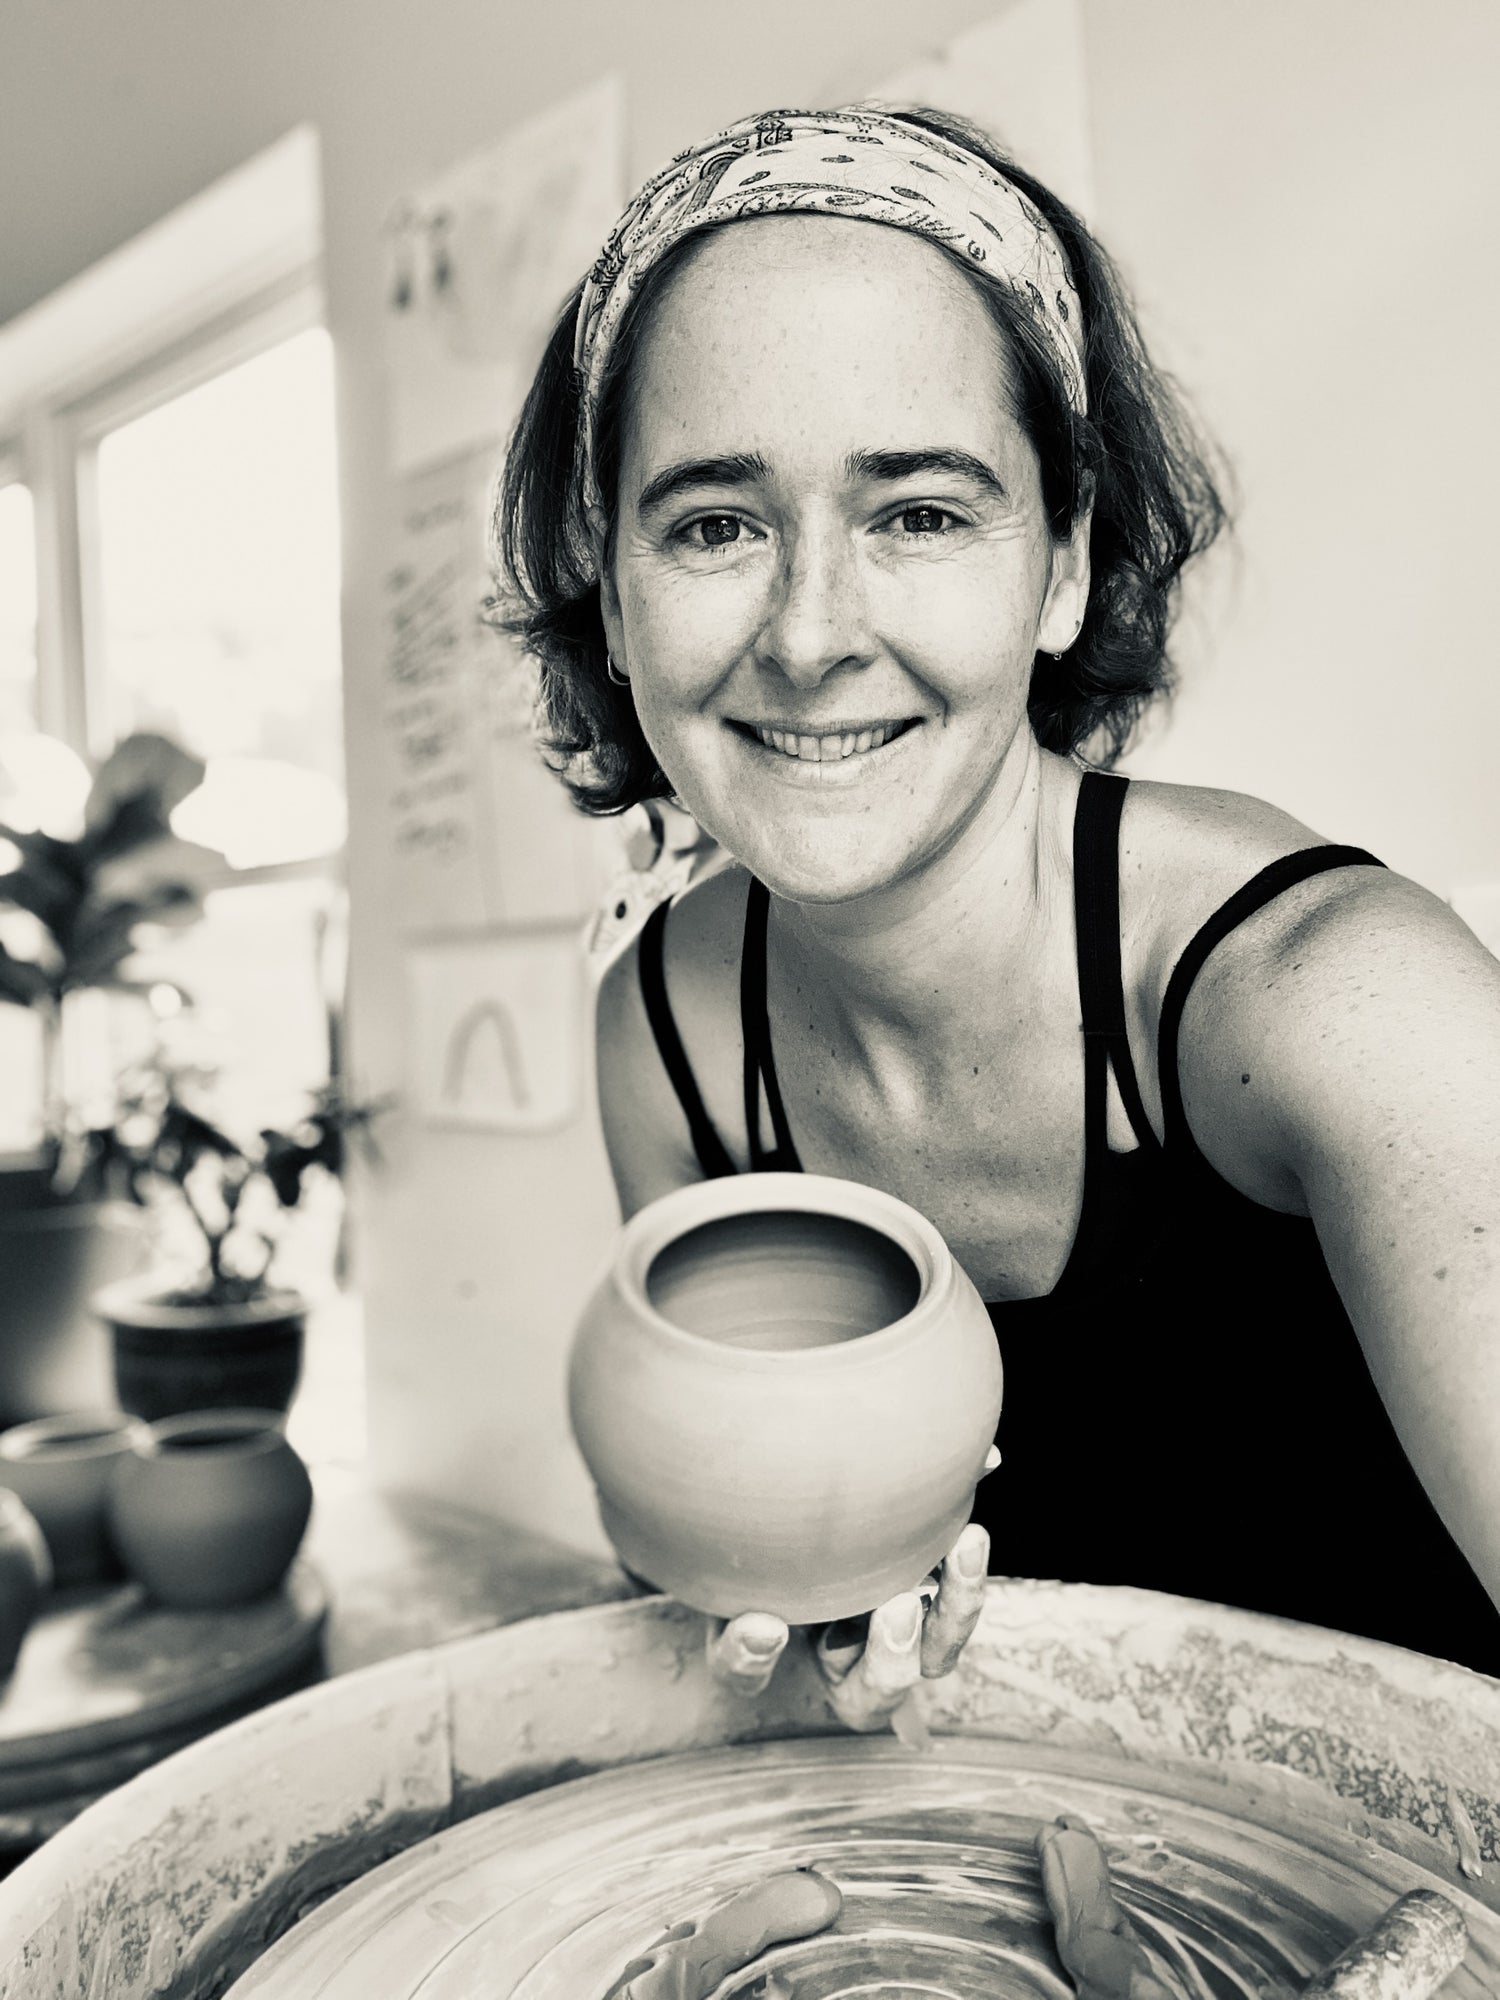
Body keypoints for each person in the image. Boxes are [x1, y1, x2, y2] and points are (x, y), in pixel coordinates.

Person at [495, 104, 1500, 1730]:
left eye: (921, 512)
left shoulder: (1347, 1010)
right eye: (713, 524)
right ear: (610, 594)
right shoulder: (666, 1033)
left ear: (1063, 566)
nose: (811, 633)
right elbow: (728, 1599)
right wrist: (798, 1612)